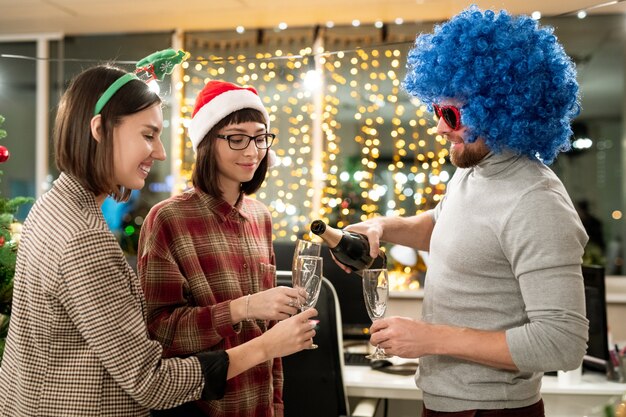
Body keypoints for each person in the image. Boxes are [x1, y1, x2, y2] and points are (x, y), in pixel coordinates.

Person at [0, 63, 317, 417]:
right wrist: (263, 345)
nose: (161, 152)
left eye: (260, 138)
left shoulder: (53, 207)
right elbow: (151, 381)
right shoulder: (86, 239)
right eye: (148, 135)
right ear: (100, 130)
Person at [343, 7, 590, 416]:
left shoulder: (536, 201)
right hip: (445, 405)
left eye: (451, 114)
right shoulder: (474, 170)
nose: (440, 128)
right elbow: (444, 228)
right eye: (437, 112)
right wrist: (383, 226)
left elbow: (562, 342)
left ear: (499, 109)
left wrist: (430, 339)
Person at [137, 80, 305, 417]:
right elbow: (158, 330)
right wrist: (243, 308)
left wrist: (276, 405)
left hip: (258, 404)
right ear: (206, 143)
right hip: (200, 406)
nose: (252, 151)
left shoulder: (261, 217)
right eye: (236, 138)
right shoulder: (168, 218)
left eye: (260, 137)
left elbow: (269, 335)